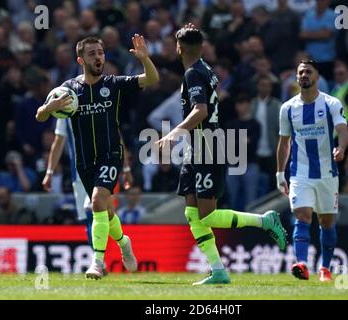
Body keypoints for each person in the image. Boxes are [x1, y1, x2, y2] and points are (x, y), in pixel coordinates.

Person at [157, 25, 287, 285]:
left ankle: (265, 220)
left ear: (179, 48)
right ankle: (218, 270)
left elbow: (201, 110)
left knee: (207, 215)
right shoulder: (204, 68)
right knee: (192, 215)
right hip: (198, 148)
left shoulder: (194, 73)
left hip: (207, 147)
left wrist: (175, 133)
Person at [36, 35, 159, 279]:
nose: (98, 57)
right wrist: (51, 107)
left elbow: (152, 79)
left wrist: (145, 59)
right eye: (92, 53)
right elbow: (40, 115)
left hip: (111, 154)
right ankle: (124, 242)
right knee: (105, 209)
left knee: (96, 202)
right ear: (81, 59)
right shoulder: (68, 90)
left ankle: (97, 262)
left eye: (100, 53)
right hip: (84, 161)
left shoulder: (113, 83)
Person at [276, 60, 348, 282]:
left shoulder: (331, 103)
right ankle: (302, 264)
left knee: (326, 222)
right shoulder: (287, 108)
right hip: (300, 172)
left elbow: (342, 130)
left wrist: (342, 147)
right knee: (303, 215)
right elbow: (284, 143)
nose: (304, 75)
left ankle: (325, 268)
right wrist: (280, 173)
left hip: (327, 172)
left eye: (308, 71)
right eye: (300, 72)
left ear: (317, 76)